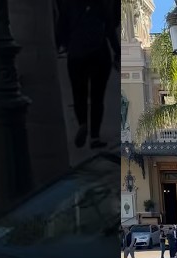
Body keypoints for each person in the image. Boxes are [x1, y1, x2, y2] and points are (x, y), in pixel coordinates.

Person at [57, 0, 112, 149]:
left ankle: (82, 123)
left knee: (78, 93)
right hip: (99, 53)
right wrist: (118, 52)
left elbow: (61, 26)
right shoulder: (99, 4)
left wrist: (61, 46)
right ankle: (95, 137)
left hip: (76, 54)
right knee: (97, 97)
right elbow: (109, 28)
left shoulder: (68, 4)